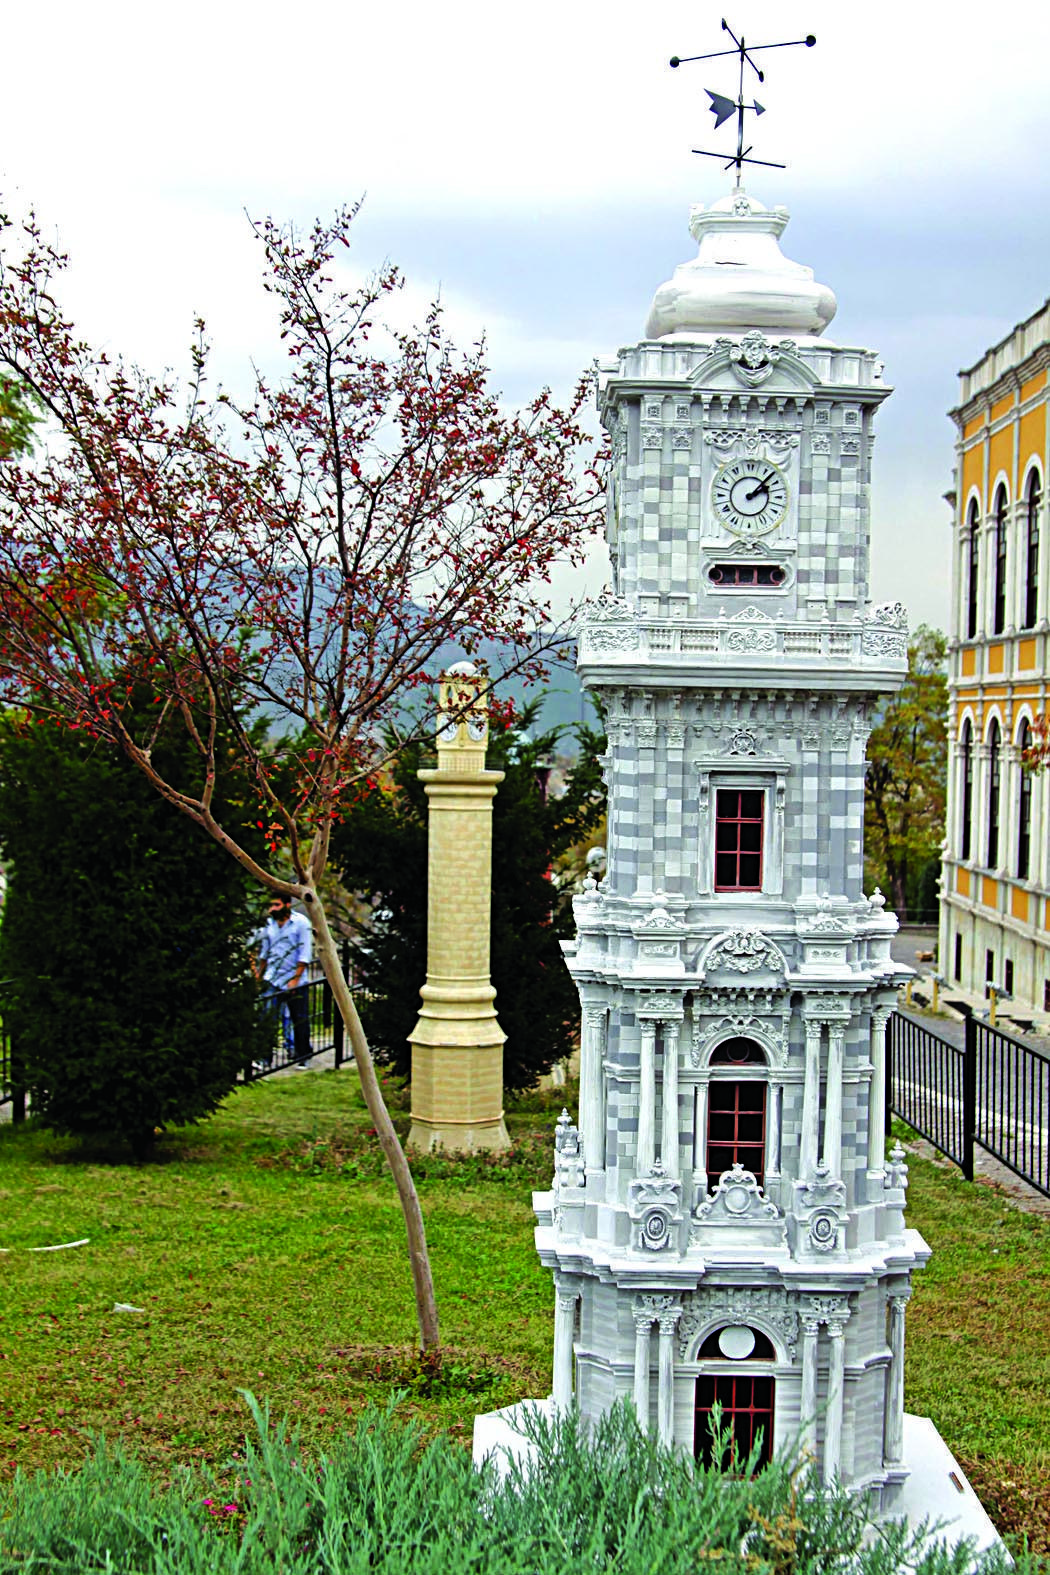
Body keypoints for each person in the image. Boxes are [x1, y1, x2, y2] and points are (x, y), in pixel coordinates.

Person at [253, 895, 313, 1066]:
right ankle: (264, 1058)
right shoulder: (269, 924)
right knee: (267, 1018)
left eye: (276, 905)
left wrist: (295, 978)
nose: (272, 909)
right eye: (271, 905)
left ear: (287, 905)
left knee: (299, 1019)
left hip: (295, 978)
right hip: (273, 977)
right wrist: (260, 974)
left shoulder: (301, 923)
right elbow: (265, 951)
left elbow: (304, 953)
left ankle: (303, 1056)